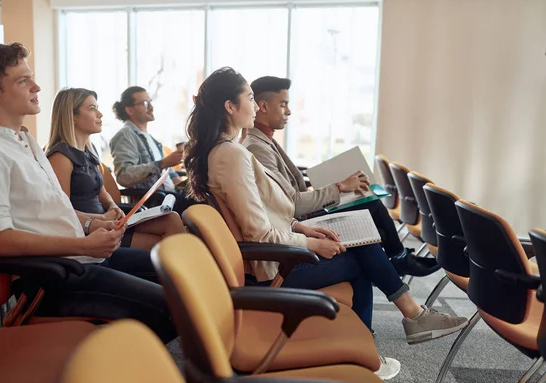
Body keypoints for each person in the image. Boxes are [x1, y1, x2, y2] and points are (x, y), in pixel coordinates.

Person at [183, 67, 468, 352]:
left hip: (276, 256)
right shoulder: (232, 155)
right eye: (250, 97)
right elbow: (258, 233)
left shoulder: (229, 150)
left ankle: (396, 325)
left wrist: (302, 228)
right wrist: (312, 244)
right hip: (275, 269)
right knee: (363, 259)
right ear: (230, 107)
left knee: (363, 244)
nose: (256, 105)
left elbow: (260, 213)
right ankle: (385, 333)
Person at [0, 42, 175, 343]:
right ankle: (113, 372)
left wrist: (92, 223)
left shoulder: (24, 141)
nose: (36, 86)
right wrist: (85, 246)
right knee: (174, 309)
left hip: (80, 259)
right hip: (52, 277)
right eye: (23, 80)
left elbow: (52, 208)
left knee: (179, 279)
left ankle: (111, 363)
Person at [243, 76, 439, 278]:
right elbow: (293, 203)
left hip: (299, 216)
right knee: (369, 212)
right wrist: (339, 187)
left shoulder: (265, 140)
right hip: (298, 223)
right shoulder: (258, 147)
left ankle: (398, 259)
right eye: (283, 105)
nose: (289, 112)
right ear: (263, 107)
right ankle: (398, 260)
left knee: (370, 209)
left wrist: (340, 185)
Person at [46, 87, 185, 250]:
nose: (100, 114)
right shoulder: (60, 157)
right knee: (168, 248)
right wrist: (101, 218)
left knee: (172, 219)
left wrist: (113, 206)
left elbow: (101, 191)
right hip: (90, 232)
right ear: (72, 116)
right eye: (92, 109)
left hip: (107, 223)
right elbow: (61, 211)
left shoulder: (88, 151)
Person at [110, 86, 196, 215]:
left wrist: (180, 182)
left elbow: (166, 171)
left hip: (170, 196)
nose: (151, 107)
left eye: (150, 102)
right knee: (207, 203)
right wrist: (162, 164)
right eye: (145, 103)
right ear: (129, 110)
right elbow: (124, 176)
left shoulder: (150, 138)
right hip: (156, 201)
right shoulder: (125, 136)